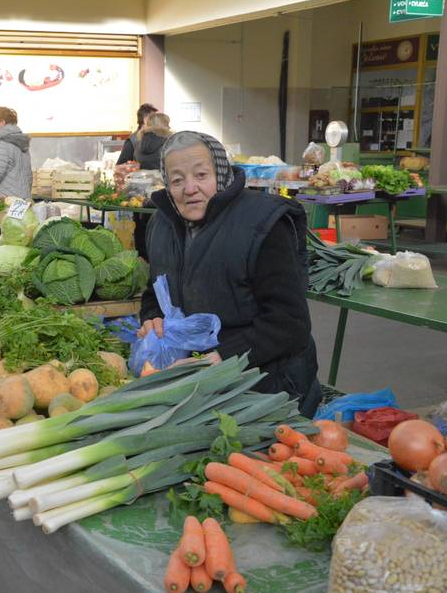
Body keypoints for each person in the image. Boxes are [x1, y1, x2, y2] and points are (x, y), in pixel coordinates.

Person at [137, 131, 322, 417]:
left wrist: (223, 357)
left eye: (201, 175)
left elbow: (290, 324)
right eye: (177, 180)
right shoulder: (161, 224)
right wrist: (152, 316)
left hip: (267, 386)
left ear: (220, 174)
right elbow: (155, 290)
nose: (190, 188)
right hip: (198, 379)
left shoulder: (263, 224)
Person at [130, 112, 172, 259]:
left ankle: (141, 259)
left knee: (140, 227)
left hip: (138, 193)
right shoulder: (168, 144)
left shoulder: (138, 144)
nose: (170, 126)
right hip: (159, 193)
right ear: (162, 125)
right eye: (167, 123)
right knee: (159, 228)